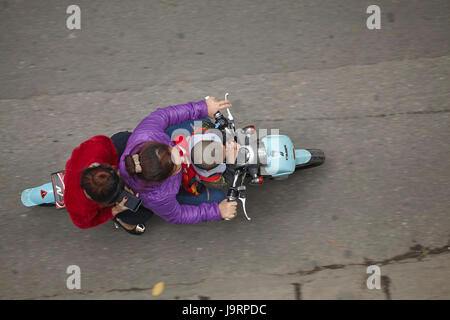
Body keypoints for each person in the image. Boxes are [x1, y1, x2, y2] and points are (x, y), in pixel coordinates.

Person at [119, 97, 238, 224]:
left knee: (202, 119)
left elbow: (165, 115)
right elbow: (178, 215)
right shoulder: (158, 197)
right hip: (173, 190)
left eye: (172, 150)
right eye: (176, 167)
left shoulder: (146, 134)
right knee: (218, 199)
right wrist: (217, 211)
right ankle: (125, 221)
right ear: (163, 179)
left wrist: (203, 107)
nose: (183, 158)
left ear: (156, 144)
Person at [64, 133, 153, 235]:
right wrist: (115, 210)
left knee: (123, 140)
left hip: (85, 167)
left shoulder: (99, 148)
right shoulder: (81, 209)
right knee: (144, 213)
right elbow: (83, 224)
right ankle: (120, 220)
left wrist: (121, 172)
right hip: (96, 163)